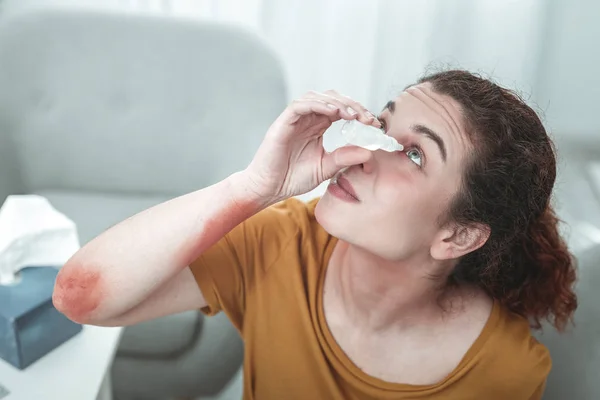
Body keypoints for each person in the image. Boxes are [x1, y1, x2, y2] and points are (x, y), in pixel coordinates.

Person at [52, 69, 577, 399]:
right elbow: (82, 297)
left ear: (459, 235)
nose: (365, 151)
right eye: (381, 125)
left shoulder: (507, 373)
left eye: (415, 154)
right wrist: (253, 187)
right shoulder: (282, 244)